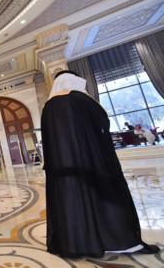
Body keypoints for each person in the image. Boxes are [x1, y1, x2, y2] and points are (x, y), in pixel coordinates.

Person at [41, 70, 159, 258]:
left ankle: (75, 244)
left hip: (62, 169)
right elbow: (102, 121)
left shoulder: (48, 107)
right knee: (107, 199)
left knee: (72, 204)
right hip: (92, 162)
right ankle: (121, 242)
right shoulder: (79, 99)